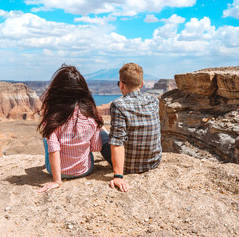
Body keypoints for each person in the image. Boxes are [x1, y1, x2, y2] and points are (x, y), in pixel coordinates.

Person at [37, 64, 104, 193]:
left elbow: (53, 151)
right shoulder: (92, 116)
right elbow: (96, 148)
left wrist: (57, 181)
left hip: (59, 173)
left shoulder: (52, 119)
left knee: (47, 140)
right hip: (85, 170)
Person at [101, 62, 162, 192]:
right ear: (141, 84)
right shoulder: (154, 101)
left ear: (121, 84)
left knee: (100, 134)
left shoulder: (118, 104)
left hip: (128, 166)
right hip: (153, 163)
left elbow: (117, 141)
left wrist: (118, 176)